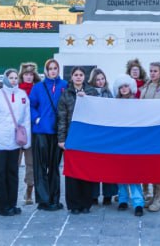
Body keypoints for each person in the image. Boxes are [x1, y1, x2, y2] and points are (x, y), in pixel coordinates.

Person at [0, 68, 32, 217]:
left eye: (16, 77)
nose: (14, 80)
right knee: (0, 173)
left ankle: (12, 203)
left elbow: (26, 120)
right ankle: (2, 206)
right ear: (5, 79)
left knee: (13, 173)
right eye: (11, 77)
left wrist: (26, 141)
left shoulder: (22, 95)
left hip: (14, 142)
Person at [58, 67, 99, 214]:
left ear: (84, 77)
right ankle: (74, 204)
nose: (78, 77)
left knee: (86, 171)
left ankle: (86, 203)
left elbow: (98, 113)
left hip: (87, 138)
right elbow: (62, 118)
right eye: (76, 75)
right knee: (72, 172)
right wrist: (61, 139)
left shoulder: (92, 92)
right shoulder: (66, 94)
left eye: (81, 75)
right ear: (71, 77)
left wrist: (86, 98)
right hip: (71, 137)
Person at [29, 58, 68, 211]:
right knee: (40, 167)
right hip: (41, 132)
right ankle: (43, 200)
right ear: (46, 71)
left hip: (57, 133)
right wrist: (37, 119)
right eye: (50, 68)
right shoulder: (38, 87)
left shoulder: (64, 85)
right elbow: (31, 106)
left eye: (55, 68)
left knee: (54, 167)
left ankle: (54, 198)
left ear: (58, 70)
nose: (53, 71)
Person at [139, 61, 160, 212]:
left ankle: (159, 197)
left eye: (155, 71)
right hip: (146, 132)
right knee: (150, 164)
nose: (152, 73)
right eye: (151, 71)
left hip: (159, 132)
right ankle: (152, 195)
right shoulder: (145, 87)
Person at [112, 74, 146, 217]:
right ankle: (123, 199)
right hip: (119, 142)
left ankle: (138, 202)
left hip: (134, 142)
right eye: (121, 87)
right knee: (120, 171)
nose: (124, 89)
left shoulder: (138, 102)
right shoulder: (113, 105)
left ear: (130, 87)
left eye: (126, 86)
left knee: (133, 172)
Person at [88, 68, 118, 205]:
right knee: (94, 165)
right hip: (94, 134)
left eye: (102, 79)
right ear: (93, 80)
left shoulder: (109, 93)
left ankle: (108, 194)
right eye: (98, 79)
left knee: (108, 165)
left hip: (107, 134)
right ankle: (93, 195)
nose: (100, 82)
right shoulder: (89, 93)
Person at [17, 62, 40, 206]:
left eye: (31, 74)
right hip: (17, 131)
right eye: (26, 74)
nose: (29, 77)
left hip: (32, 131)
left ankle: (29, 191)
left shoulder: (38, 89)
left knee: (31, 164)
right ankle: (12, 190)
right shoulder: (15, 90)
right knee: (15, 163)